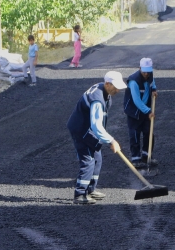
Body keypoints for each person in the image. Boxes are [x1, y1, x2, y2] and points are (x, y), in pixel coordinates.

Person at [66, 71, 127, 204]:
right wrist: (111, 140)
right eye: (115, 86)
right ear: (107, 84)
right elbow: (96, 125)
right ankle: (80, 194)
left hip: (88, 129)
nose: (117, 90)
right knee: (88, 160)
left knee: (97, 158)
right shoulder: (97, 99)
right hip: (81, 130)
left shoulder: (102, 89)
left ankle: (90, 190)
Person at [124, 58, 158, 168]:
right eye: (144, 71)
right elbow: (136, 100)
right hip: (134, 111)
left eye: (148, 71)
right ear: (139, 69)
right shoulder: (133, 81)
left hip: (145, 109)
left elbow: (152, 82)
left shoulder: (150, 75)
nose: (146, 74)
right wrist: (148, 111)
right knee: (135, 134)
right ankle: (136, 158)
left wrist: (154, 89)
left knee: (149, 132)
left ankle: (146, 155)